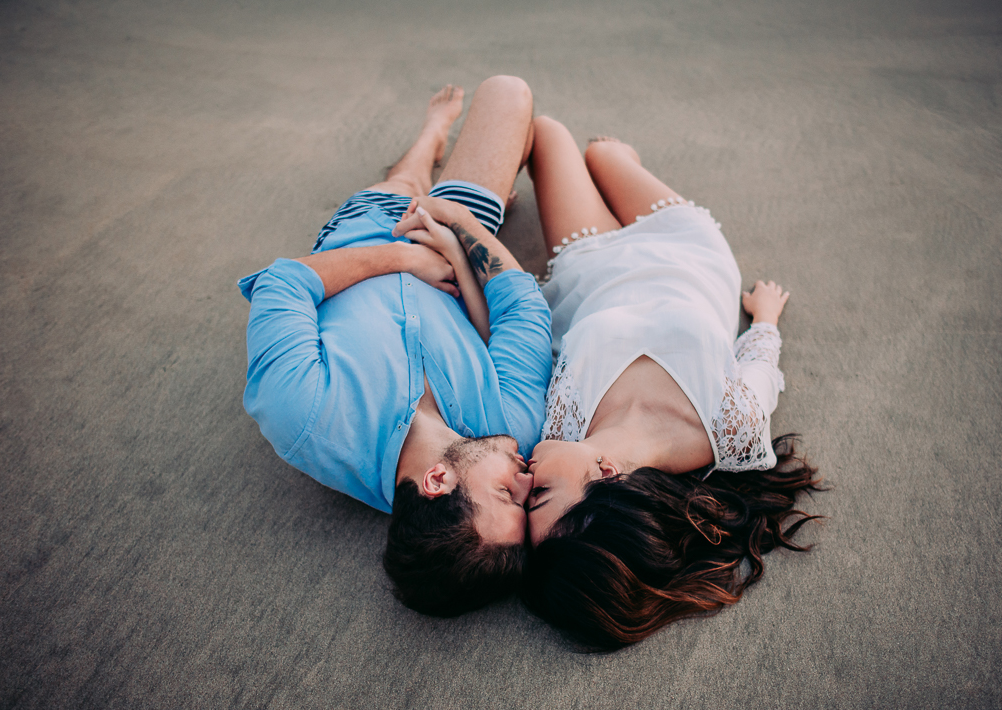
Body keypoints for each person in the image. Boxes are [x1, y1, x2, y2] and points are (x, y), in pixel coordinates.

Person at [238, 77, 552, 617]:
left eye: (507, 495)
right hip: (452, 233)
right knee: (510, 94)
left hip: (358, 234)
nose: (528, 478)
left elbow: (283, 283)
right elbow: (523, 309)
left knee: (402, 180)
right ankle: (462, 175)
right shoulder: (511, 428)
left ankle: (430, 139)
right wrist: (460, 237)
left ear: (437, 481)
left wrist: (401, 259)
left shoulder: (305, 416)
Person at [519, 117, 824, 650]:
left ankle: (603, 167)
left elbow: (517, 337)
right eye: (539, 495)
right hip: (688, 251)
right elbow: (760, 371)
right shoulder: (729, 433)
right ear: (607, 475)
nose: (524, 481)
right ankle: (615, 163)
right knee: (605, 153)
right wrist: (766, 317)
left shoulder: (559, 422)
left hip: (589, 264)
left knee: (545, 131)